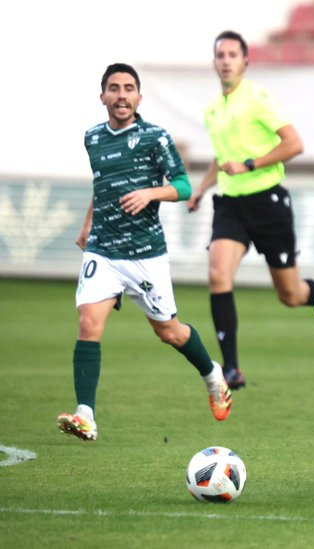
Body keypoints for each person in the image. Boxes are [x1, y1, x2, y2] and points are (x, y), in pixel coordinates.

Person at [57, 63, 232, 442]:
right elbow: (102, 184)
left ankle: (212, 375)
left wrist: (151, 193)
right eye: (114, 88)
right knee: (88, 323)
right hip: (102, 251)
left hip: (145, 254)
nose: (122, 95)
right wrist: (88, 222)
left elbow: (184, 186)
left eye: (129, 89)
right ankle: (85, 413)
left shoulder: (156, 137)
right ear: (102, 96)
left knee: (169, 331)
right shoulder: (93, 137)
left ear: (139, 97)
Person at [186, 30, 314, 391]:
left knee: (290, 294)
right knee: (219, 275)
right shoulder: (213, 110)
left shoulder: (258, 99)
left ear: (245, 61)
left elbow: (294, 144)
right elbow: (222, 159)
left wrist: (251, 164)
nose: (225, 60)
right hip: (231, 205)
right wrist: (202, 190)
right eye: (220, 54)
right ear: (214, 61)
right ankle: (231, 368)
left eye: (233, 54)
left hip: (267, 202)